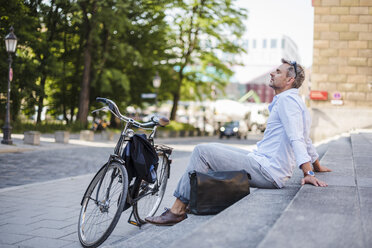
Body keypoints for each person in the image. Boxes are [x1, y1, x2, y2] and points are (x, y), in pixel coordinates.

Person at [145, 58, 332, 226]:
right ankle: (195, 204)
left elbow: (297, 138)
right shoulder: (295, 101)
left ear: (289, 80)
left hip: (267, 170)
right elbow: (306, 138)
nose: (272, 73)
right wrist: (317, 165)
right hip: (264, 163)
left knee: (202, 151)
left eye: (278, 72)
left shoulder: (287, 102)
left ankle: (177, 210)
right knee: (209, 150)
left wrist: (308, 172)